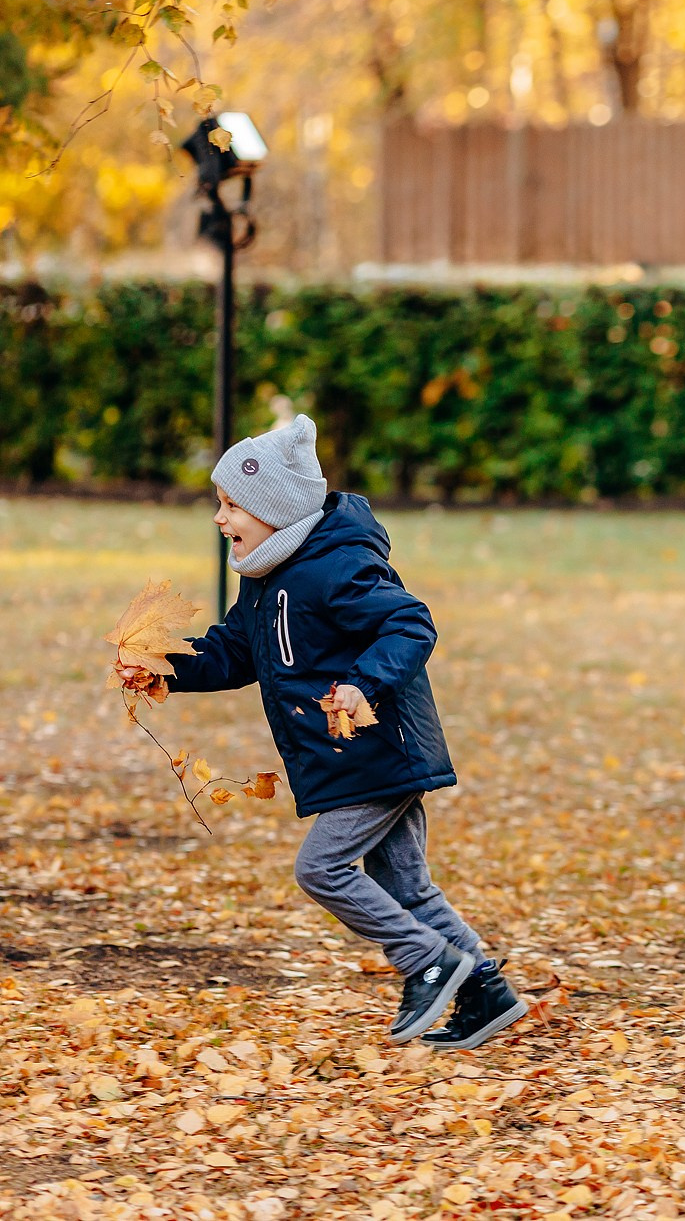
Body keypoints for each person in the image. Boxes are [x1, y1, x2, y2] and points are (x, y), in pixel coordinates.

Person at [115, 415, 526, 1050]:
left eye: (232, 506)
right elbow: (234, 654)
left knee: (322, 869)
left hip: (376, 749)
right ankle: (485, 993)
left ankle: (427, 962)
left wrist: (365, 684)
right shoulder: (264, 580)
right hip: (350, 759)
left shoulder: (337, 567)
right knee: (404, 885)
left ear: (276, 510)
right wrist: (164, 667)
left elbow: (410, 624)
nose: (220, 519)